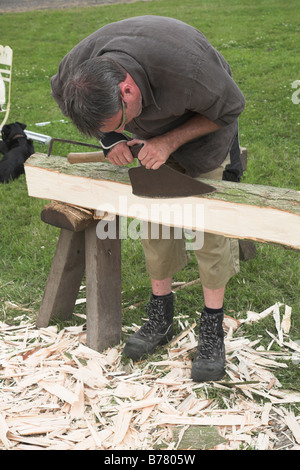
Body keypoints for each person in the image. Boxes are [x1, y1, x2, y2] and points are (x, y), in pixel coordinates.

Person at [51, 16, 245, 382]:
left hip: (204, 127)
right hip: (150, 139)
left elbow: (230, 108)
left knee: (208, 230)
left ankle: (212, 326)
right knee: (155, 219)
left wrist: (169, 142)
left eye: (117, 123)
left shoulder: (192, 70)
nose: (120, 131)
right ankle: (161, 312)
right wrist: (110, 140)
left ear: (127, 90)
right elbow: (64, 97)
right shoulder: (76, 71)